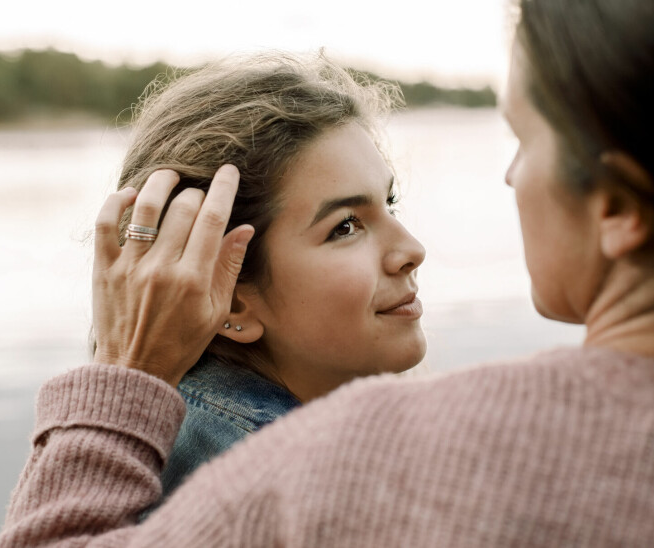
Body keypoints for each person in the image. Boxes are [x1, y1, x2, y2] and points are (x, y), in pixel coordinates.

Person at [0, 0, 654, 546]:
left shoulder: (365, 462)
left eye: (523, 137)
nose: (512, 178)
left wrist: (120, 375)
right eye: (350, 222)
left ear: (619, 204)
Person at [103, 54, 427, 501]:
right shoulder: (284, 487)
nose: (412, 251)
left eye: (389, 203)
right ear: (231, 300)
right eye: (345, 226)